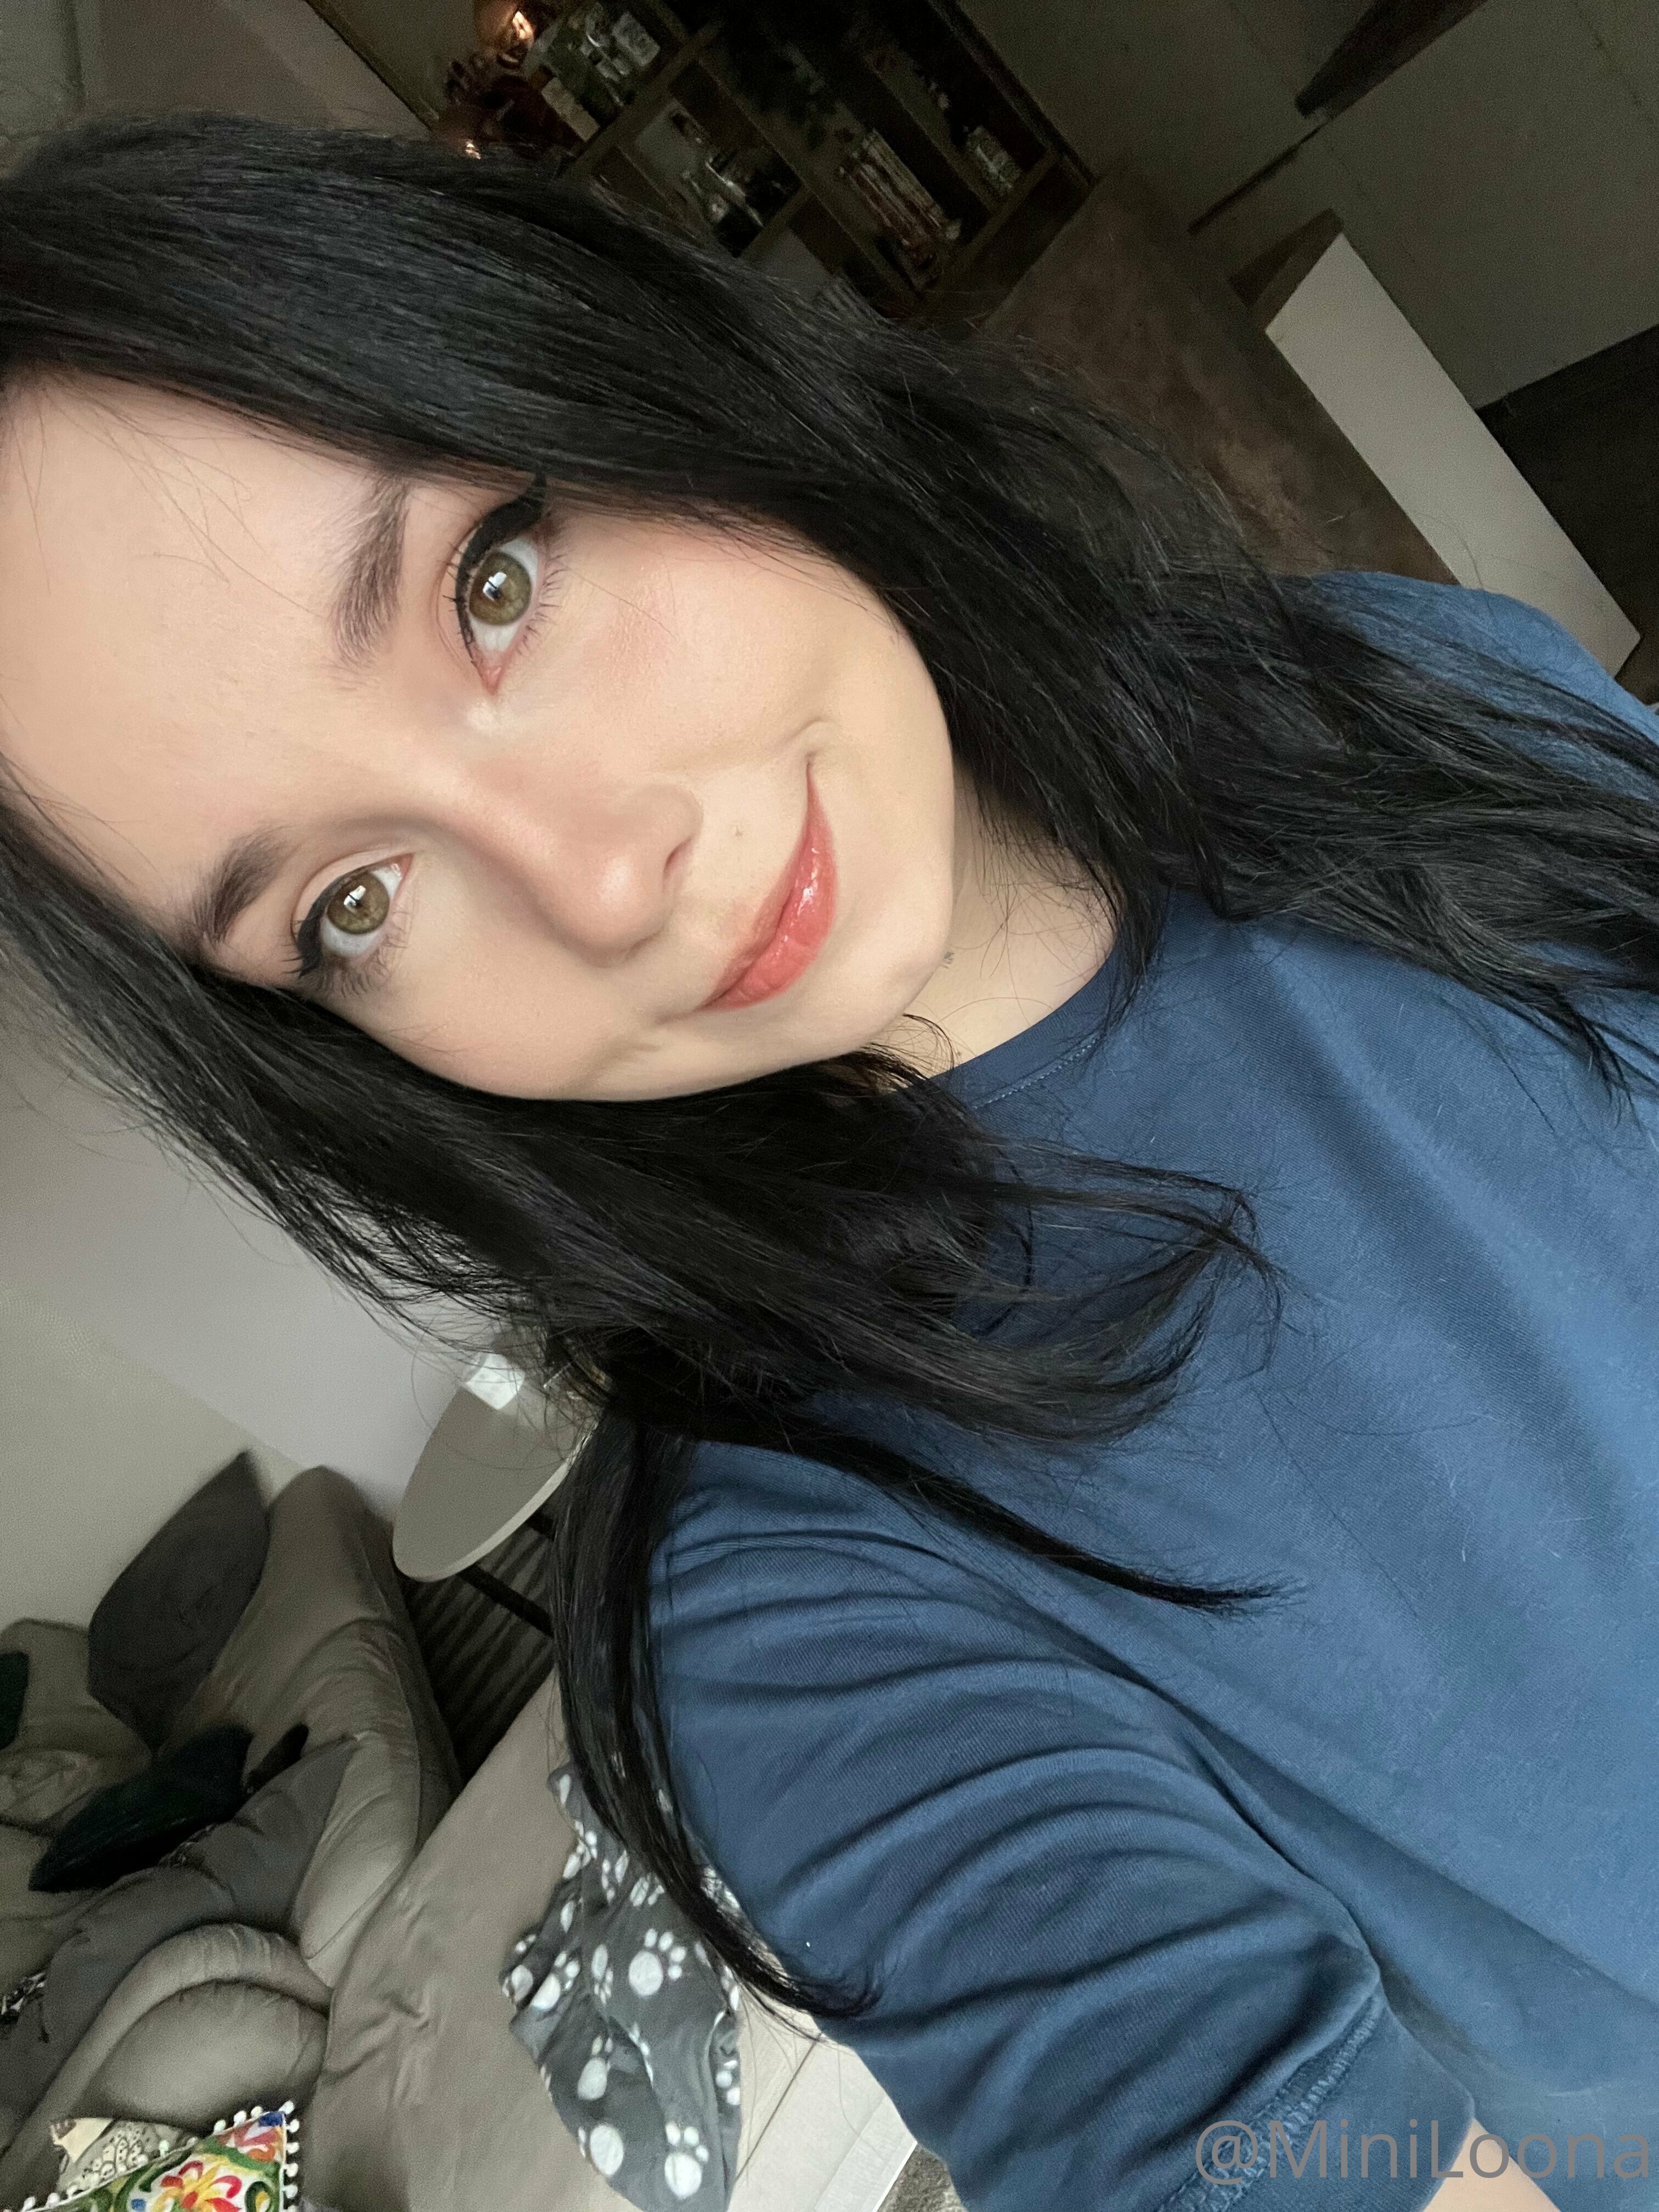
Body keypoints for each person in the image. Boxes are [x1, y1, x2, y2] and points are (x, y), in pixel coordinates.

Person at [1, 112, 1657, 2212]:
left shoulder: (1383, 678)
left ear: (619, 359)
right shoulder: (798, 1620)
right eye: (353, 904)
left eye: (492, 587)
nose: (605, 879)